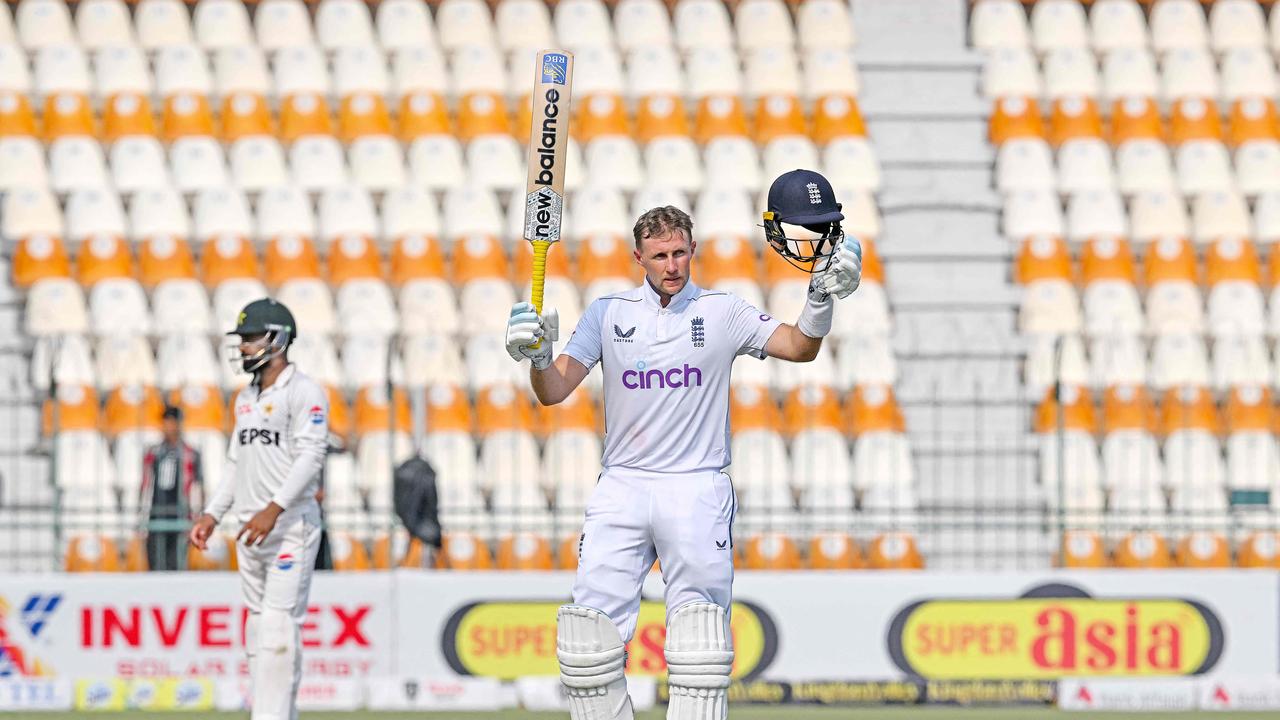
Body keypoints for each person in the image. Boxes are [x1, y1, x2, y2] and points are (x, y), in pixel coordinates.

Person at [504, 169, 862, 720]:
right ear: (638, 259)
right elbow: (553, 391)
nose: (671, 266)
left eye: (679, 254)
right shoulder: (608, 313)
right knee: (586, 643)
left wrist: (821, 299)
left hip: (696, 486)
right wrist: (537, 358)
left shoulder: (722, 311)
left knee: (699, 644)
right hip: (622, 484)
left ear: (692, 250)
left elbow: (798, 346)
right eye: (659, 257)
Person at [188, 298, 329, 720]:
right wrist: (212, 514)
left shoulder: (304, 392)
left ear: (279, 339)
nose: (245, 347)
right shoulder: (245, 400)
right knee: (258, 627)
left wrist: (274, 508)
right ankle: (279, 713)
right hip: (250, 529)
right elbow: (237, 463)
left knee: (276, 625)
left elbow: (311, 456)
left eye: (251, 338)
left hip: (289, 528)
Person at [140, 405, 203, 571]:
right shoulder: (153, 452)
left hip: (181, 515)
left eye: (173, 422)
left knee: (177, 564)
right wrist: (142, 516)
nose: (169, 427)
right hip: (156, 515)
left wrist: (196, 516)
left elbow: (198, 487)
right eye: (166, 422)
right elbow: (145, 485)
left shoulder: (191, 453)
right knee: (155, 564)